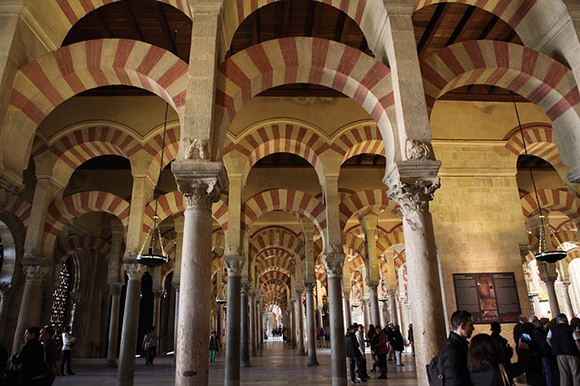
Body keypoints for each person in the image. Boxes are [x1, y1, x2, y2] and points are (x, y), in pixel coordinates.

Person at [439, 310, 475, 386]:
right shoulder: (451, 350)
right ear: (462, 326)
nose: (473, 328)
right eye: (470, 325)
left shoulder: (459, 345)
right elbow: (453, 380)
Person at [546, 313, 580, 386]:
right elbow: (577, 340)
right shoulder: (571, 328)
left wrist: (553, 347)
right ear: (565, 320)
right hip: (572, 352)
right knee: (576, 374)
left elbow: (548, 339)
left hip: (559, 354)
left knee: (564, 375)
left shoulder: (552, 329)